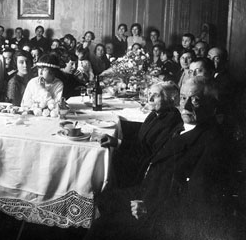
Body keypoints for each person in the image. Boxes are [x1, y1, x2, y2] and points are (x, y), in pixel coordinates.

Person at [93, 77, 232, 240]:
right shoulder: (181, 124)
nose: (186, 105)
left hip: (159, 216)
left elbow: (197, 202)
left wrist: (150, 208)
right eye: (184, 97)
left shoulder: (212, 143)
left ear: (212, 106)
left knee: (102, 226)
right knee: (100, 198)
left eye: (195, 100)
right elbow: (149, 152)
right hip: (147, 190)